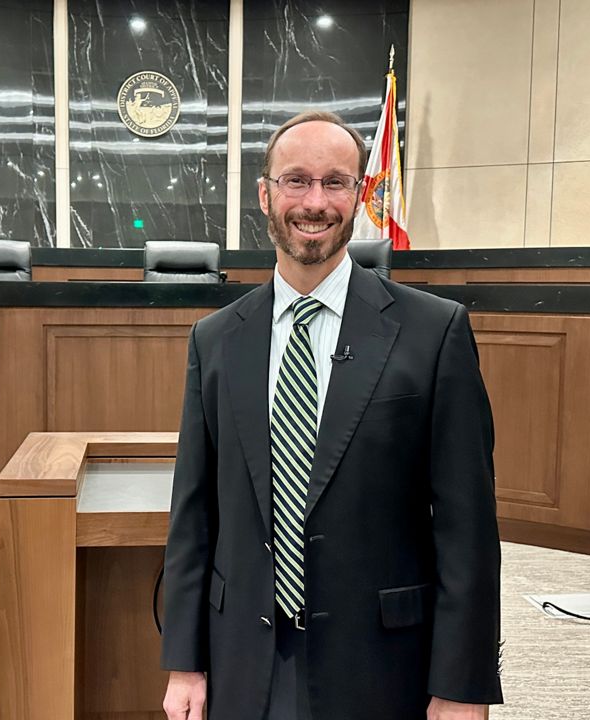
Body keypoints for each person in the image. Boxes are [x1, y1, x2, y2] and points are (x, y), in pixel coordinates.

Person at [160, 110, 503, 720]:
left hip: (380, 662)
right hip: (244, 655)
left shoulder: (434, 331)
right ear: (264, 195)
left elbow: (467, 529)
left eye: (335, 182)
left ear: (359, 194)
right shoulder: (215, 339)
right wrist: (185, 662)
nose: (314, 202)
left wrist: (462, 684)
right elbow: (194, 515)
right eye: (296, 180)